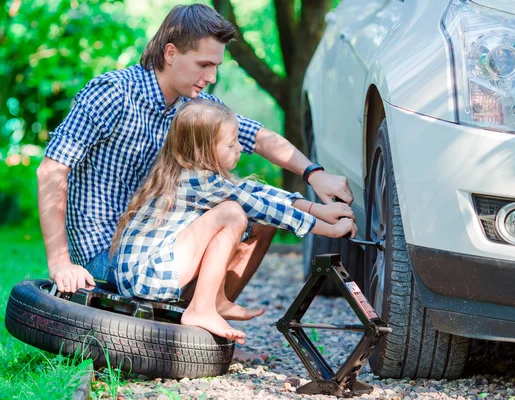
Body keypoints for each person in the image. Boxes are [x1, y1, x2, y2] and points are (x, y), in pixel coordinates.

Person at [37, 3, 354, 297]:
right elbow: (52, 170)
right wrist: (61, 263)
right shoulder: (112, 95)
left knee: (263, 218)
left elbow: (257, 137)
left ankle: (206, 326)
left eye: (216, 66)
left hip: (159, 244)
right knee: (233, 210)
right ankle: (197, 320)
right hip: (104, 256)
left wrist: (315, 175)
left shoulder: (197, 107)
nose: (211, 77)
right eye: (204, 64)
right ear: (171, 53)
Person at [110, 99, 357, 343]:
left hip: (147, 273)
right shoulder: (199, 181)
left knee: (237, 207)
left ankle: (215, 301)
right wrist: (331, 230)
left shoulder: (198, 176)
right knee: (232, 212)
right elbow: (263, 208)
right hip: (147, 277)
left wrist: (318, 210)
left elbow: (260, 193)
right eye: (231, 144)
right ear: (199, 151)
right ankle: (201, 308)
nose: (240, 148)